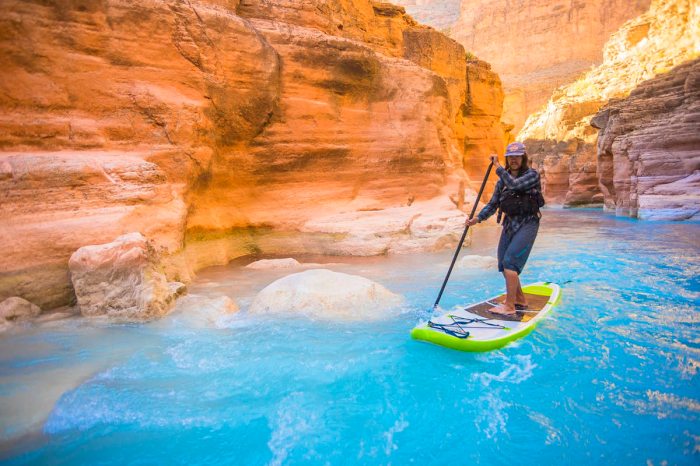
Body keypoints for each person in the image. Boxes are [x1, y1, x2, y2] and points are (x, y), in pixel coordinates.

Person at [466, 141, 543, 316]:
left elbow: (515, 185)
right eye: (510, 157)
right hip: (510, 224)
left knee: (510, 263)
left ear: (523, 158)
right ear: (508, 159)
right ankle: (519, 299)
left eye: (517, 156)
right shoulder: (502, 182)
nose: (514, 160)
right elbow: (493, 204)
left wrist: (497, 166)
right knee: (503, 264)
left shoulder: (532, 175)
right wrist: (477, 219)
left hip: (528, 223)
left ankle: (509, 307)